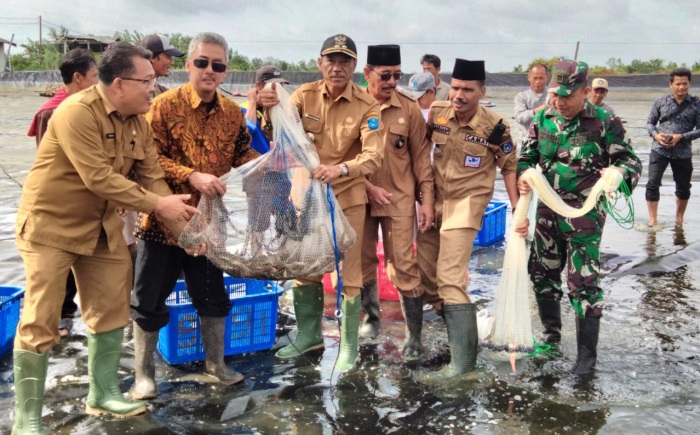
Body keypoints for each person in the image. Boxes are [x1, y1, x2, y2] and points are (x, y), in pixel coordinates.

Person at [12, 42, 200, 433]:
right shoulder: (75, 113)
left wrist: (186, 233)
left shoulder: (138, 122)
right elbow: (98, 178)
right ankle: (27, 419)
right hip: (52, 227)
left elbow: (151, 177)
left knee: (112, 309)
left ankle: (102, 393)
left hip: (101, 227)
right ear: (119, 84)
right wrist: (157, 206)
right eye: (147, 81)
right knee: (41, 318)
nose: (154, 87)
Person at [130, 32, 259, 400]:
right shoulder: (163, 106)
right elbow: (147, 160)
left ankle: (216, 364)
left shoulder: (232, 112)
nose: (209, 71)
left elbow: (242, 155)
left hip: (206, 227)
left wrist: (272, 165)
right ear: (188, 65)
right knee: (148, 300)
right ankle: (144, 375)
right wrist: (191, 175)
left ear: (225, 71)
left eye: (217, 65)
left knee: (213, 297)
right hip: (162, 224)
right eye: (202, 63)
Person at [258, 34, 384, 372]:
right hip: (306, 196)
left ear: (355, 67)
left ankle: (348, 347)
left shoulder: (368, 105)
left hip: (348, 198)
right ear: (320, 63)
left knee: (350, 273)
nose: (337, 67)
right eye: (331, 60)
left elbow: (373, 156)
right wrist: (267, 104)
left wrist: (342, 168)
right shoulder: (304, 95)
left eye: (345, 61)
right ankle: (309, 335)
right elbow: (279, 131)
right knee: (306, 267)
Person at [515, 59, 642, 379]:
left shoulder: (604, 121)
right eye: (555, 94)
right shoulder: (543, 118)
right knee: (542, 274)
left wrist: (617, 174)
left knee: (583, 282)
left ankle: (586, 358)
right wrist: (523, 176)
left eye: (567, 96)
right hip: (547, 211)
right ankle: (551, 339)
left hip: (586, 214)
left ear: (585, 92)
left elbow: (630, 162)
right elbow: (526, 157)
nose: (559, 102)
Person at [417, 59, 519, 381]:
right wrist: (426, 201)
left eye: (468, 90)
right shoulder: (437, 112)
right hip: (436, 200)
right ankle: (461, 339)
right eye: (456, 87)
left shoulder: (496, 125)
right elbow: (424, 153)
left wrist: (518, 212)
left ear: (482, 91)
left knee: (449, 276)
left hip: (468, 203)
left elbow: (510, 167)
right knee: (424, 275)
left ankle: (463, 367)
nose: (459, 95)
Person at [358, 44, 434, 361]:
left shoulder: (409, 108)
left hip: (399, 198)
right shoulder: (354, 104)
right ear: (367, 74)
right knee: (360, 263)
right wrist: (365, 186)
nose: (391, 81)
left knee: (403, 266)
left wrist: (426, 200)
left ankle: (414, 336)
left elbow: (420, 160)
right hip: (359, 196)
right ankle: (371, 320)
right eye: (385, 75)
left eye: (397, 75)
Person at [27, 48, 98, 338]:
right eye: (95, 76)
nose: (98, 83)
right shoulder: (53, 111)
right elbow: (52, 162)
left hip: (87, 203)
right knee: (58, 270)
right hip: (59, 204)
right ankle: (61, 316)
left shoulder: (87, 108)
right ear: (79, 78)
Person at [645, 67, 700, 227]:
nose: (681, 87)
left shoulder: (696, 104)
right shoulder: (660, 102)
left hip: (683, 152)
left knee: (683, 187)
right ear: (671, 84)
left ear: (689, 84)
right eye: (678, 84)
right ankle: (653, 221)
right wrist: (655, 135)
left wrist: (680, 137)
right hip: (659, 149)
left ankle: (679, 219)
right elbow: (650, 123)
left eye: (685, 83)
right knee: (653, 184)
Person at [513, 63, 549, 138]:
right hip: (526, 138)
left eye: (541, 78)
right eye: (535, 78)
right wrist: (535, 111)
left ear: (547, 78)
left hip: (548, 139)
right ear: (529, 78)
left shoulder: (553, 96)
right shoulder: (521, 97)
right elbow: (519, 118)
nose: (538, 82)